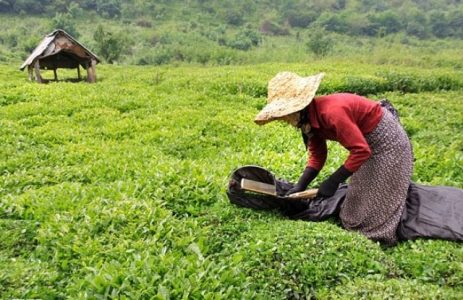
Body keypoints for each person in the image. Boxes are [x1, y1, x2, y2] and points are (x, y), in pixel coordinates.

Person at [254, 72, 413, 245]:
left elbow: (360, 151)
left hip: (388, 142)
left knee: (372, 215)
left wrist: (333, 181)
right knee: (354, 207)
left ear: (297, 109)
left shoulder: (332, 113)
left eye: (284, 115)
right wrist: (301, 185)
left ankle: (382, 233)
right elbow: (318, 156)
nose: (283, 120)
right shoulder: (308, 120)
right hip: (365, 143)